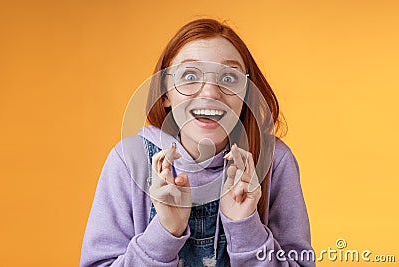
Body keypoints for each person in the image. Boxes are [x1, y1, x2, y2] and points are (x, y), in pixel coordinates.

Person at [80, 18, 315, 267]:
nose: (210, 93)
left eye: (228, 78)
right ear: (165, 92)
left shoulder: (274, 161)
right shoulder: (131, 160)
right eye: (190, 75)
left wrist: (246, 229)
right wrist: (164, 232)